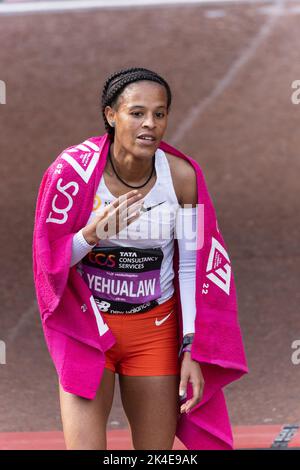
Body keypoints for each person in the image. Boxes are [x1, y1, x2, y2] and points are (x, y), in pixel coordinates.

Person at [32, 67, 248, 451]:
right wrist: (91, 235)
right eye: (137, 112)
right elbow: (50, 264)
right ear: (111, 115)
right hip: (89, 330)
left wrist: (191, 347)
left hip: (154, 332)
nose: (150, 123)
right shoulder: (72, 174)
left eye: (159, 114)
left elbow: (190, 266)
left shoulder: (181, 178)